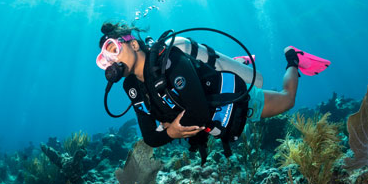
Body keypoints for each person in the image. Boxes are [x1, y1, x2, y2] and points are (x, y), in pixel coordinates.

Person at [96, 21, 330, 165]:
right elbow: (149, 137)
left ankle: (293, 59)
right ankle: (229, 66)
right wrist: (172, 132)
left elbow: (197, 113)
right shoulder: (132, 87)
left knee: (288, 99)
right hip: (215, 123)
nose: (110, 60)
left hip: (235, 104)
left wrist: (172, 130)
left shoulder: (170, 61)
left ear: (133, 44)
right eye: (104, 60)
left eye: (112, 49)